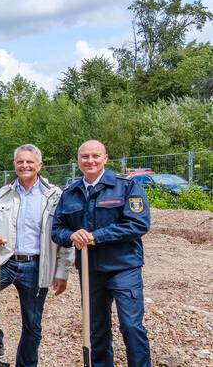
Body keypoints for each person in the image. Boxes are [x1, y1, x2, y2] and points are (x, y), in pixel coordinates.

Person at [0, 144, 74, 366]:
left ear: (39, 165)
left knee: (32, 324)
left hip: (36, 266)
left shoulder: (54, 196)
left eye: (29, 162)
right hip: (6, 260)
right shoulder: (2, 194)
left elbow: (63, 237)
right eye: (20, 162)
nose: (24, 165)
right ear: (14, 165)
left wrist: (62, 271)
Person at [52, 140, 151, 367]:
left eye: (95, 156)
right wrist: (72, 236)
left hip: (123, 267)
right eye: (85, 157)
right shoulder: (70, 193)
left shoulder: (126, 186)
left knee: (131, 326)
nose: (90, 161)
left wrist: (96, 236)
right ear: (78, 161)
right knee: (95, 329)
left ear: (105, 158)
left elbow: (138, 224)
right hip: (91, 270)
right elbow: (57, 230)